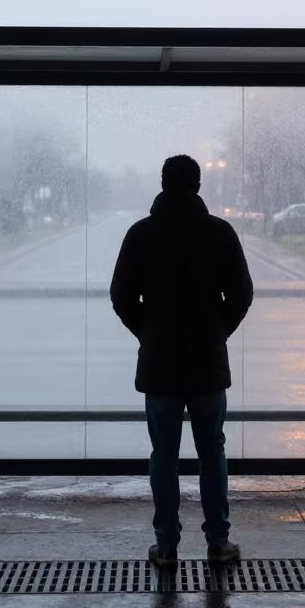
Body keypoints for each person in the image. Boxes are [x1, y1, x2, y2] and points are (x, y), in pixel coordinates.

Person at [110, 154, 254, 569]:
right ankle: (218, 542)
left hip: (159, 365)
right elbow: (241, 296)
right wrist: (216, 332)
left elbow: (122, 297)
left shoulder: (141, 234)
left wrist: (149, 333)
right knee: (212, 452)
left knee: (164, 456)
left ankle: (167, 545)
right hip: (208, 363)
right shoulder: (219, 233)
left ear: (163, 182)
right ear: (198, 184)